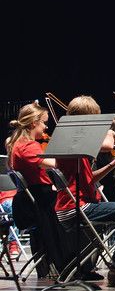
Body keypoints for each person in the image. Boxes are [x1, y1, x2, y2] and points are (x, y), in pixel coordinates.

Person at [50, 96, 115, 283]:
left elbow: (89, 180)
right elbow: (107, 145)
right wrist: (110, 133)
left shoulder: (72, 141)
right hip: (75, 208)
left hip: (69, 207)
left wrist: (114, 163)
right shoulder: (74, 141)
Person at [6, 102, 67, 277]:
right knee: (73, 211)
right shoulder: (27, 146)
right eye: (44, 122)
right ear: (34, 123)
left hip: (33, 200)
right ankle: (67, 263)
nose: (46, 127)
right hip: (39, 203)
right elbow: (54, 164)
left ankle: (54, 265)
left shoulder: (17, 144)